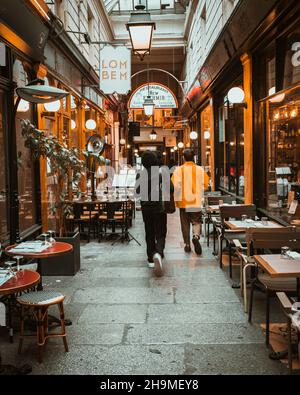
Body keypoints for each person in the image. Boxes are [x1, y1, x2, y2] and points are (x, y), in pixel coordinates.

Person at [135, 151, 172, 277]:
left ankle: (151, 258)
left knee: (149, 232)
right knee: (161, 232)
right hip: (159, 207)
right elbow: (171, 189)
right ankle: (158, 252)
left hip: (146, 208)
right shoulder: (161, 173)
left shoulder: (140, 174)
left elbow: (138, 192)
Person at [172, 149, 209, 255]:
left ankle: (187, 244)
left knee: (185, 224)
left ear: (183, 157)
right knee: (196, 220)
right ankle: (196, 236)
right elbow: (205, 185)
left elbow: (175, 185)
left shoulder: (179, 170)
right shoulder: (200, 170)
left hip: (183, 201)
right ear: (194, 157)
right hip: (195, 200)